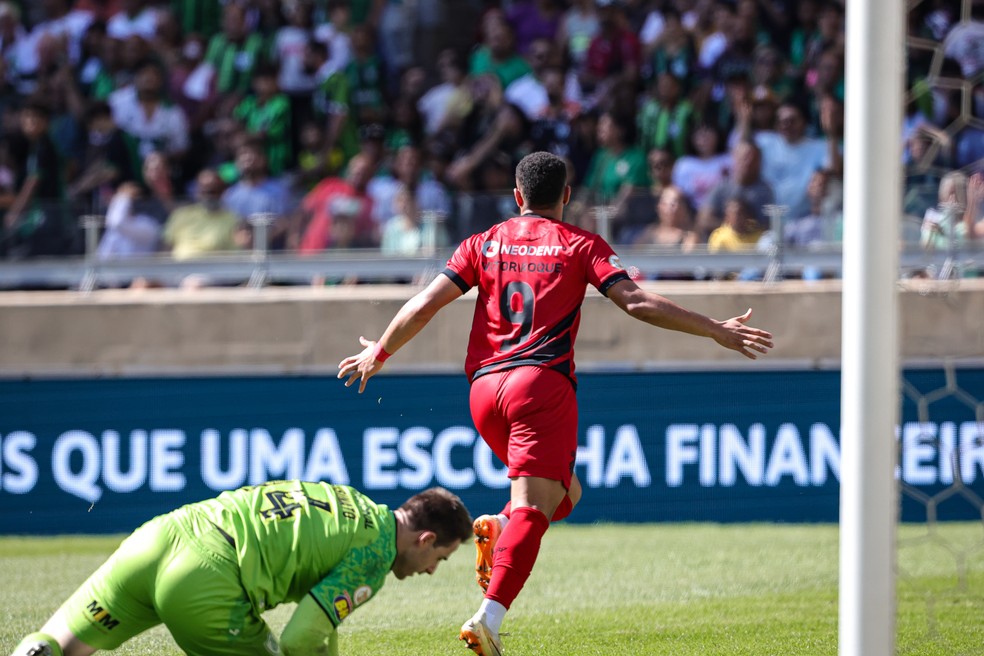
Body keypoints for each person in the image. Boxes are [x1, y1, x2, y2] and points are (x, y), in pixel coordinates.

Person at [337, 151, 774, 655]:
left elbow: (425, 303)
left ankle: (499, 526)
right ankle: (488, 617)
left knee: (568, 494)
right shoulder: (580, 244)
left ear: (517, 197)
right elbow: (637, 302)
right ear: (566, 197)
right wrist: (714, 329)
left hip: (483, 392)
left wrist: (381, 350)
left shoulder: (484, 241)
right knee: (535, 510)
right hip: (539, 388)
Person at [11, 481, 471, 656]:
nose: (431, 571)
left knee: (59, 646)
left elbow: (322, 622)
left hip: (158, 538)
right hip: (208, 580)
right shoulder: (374, 557)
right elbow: (297, 640)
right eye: (440, 559)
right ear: (425, 539)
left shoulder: (350, 502)